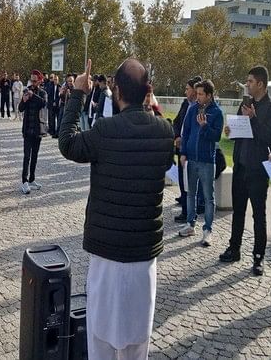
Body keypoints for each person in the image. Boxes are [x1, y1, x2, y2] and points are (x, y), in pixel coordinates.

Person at [59, 58, 174, 359]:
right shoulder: (163, 132)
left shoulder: (106, 130)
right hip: (142, 253)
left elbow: (67, 143)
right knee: (138, 342)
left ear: (117, 90)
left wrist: (77, 93)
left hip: (107, 251)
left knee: (100, 340)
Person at [219, 66, 271, 276]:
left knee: (258, 214)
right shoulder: (245, 104)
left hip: (257, 170)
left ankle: (258, 257)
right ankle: (234, 248)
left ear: (261, 84)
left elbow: (269, 138)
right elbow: (238, 132)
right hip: (240, 166)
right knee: (238, 210)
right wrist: (230, 131)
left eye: (250, 82)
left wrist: (253, 119)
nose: (247, 85)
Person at [178, 80, 223, 246]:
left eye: (201, 94)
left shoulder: (217, 112)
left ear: (209, 95)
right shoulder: (192, 109)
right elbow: (187, 132)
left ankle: (208, 229)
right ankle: (190, 224)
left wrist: (204, 126)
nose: (197, 97)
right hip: (191, 159)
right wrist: (183, 153)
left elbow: (217, 136)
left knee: (208, 197)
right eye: (196, 94)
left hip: (206, 161)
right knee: (190, 193)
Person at [172, 76, 202, 223]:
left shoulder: (200, 107)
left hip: (192, 150)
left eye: (187, 89)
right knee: (183, 182)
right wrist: (177, 136)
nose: (185, 92)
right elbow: (177, 121)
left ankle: (191, 213)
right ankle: (185, 210)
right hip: (180, 147)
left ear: (195, 90)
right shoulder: (185, 104)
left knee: (191, 184)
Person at [18, 70, 47, 194]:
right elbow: (20, 108)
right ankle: (24, 181)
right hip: (27, 129)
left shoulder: (42, 93)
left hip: (37, 129)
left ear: (40, 81)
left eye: (35, 80)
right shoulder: (26, 90)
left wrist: (33, 95)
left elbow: (43, 103)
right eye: (31, 80)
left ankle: (32, 179)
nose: (33, 83)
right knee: (27, 156)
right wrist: (24, 100)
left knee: (35, 156)